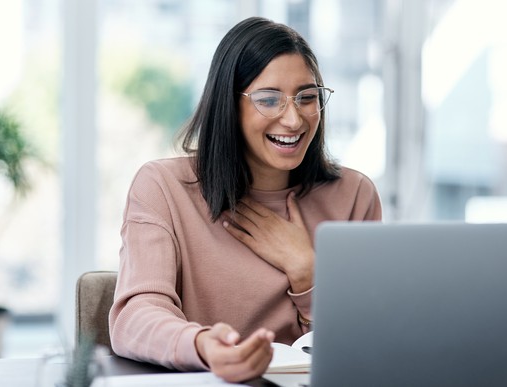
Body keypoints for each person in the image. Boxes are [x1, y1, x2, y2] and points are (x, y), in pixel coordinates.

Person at [109, 16, 382, 383]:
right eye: (269, 100)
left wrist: (307, 271)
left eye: (307, 97)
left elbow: (368, 339)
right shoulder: (164, 187)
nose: (293, 118)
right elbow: (135, 316)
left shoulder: (354, 195)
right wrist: (203, 345)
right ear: (229, 104)